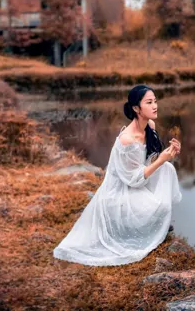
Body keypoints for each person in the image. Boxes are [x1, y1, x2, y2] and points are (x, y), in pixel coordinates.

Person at [53, 84, 183, 266]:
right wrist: (161, 159)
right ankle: (141, 226)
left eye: (155, 101)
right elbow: (134, 180)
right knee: (158, 204)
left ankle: (153, 225)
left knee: (167, 170)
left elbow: (148, 161)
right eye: (149, 102)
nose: (155, 106)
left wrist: (168, 154)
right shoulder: (127, 140)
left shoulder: (149, 126)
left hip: (136, 183)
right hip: (121, 193)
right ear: (136, 108)